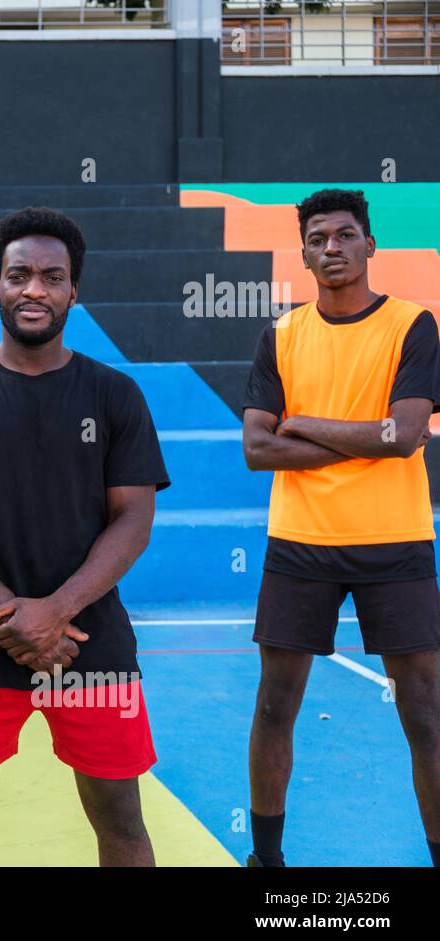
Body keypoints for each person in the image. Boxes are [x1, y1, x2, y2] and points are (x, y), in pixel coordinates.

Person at [0, 207, 170, 867]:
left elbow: (133, 517)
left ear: (74, 290)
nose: (35, 290)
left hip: (91, 640)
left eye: (53, 277)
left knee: (122, 819)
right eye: (19, 275)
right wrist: (11, 613)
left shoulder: (114, 395)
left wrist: (56, 610)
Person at [241, 188, 440, 868]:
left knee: (425, 714)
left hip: (396, 542)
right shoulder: (281, 336)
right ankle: (267, 862)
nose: (332, 246)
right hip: (301, 543)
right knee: (275, 707)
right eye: (319, 237)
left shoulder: (413, 325)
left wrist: (302, 423)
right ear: (302, 252)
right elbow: (257, 450)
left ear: (370, 245)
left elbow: (408, 434)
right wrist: (368, 439)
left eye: (346, 234)